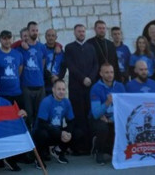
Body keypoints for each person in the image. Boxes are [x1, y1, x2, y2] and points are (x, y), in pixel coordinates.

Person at [64, 24, 99, 155]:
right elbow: (70, 66)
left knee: (89, 116)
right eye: (79, 31)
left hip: (90, 87)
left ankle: (90, 145)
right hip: (76, 88)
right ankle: (78, 147)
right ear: (74, 33)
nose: (81, 33)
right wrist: (83, 78)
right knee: (78, 117)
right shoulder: (69, 48)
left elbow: (96, 64)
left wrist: (90, 77)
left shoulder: (91, 47)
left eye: (83, 31)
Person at [90, 63, 125, 165]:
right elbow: (96, 113)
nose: (110, 75)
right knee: (102, 128)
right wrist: (107, 102)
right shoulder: (95, 88)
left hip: (113, 118)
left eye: (111, 72)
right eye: (106, 72)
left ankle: (108, 148)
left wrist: (112, 119)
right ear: (101, 74)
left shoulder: (120, 86)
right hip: (98, 119)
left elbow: (123, 109)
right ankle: (99, 152)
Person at [34, 79, 74, 167]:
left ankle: (58, 151)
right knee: (42, 134)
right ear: (53, 90)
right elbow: (42, 124)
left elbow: (71, 121)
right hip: (44, 131)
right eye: (59, 89)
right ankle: (38, 159)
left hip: (56, 130)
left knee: (76, 132)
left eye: (63, 89)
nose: (61, 92)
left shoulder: (66, 102)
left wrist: (69, 133)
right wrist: (61, 133)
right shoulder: (46, 101)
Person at [19, 21, 46, 127]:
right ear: (28, 31)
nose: (35, 32)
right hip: (26, 86)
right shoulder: (21, 47)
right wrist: (20, 43)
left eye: (36, 30)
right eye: (32, 30)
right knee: (28, 115)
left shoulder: (42, 47)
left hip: (40, 86)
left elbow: (43, 63)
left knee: (39, 115)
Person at [0, 30, 23, 107]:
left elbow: (19, 70)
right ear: (0, 40)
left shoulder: (18, 54)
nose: (7, 41)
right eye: (4, 38)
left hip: (16, 93)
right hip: (2, 94)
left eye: (9, 38)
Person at [43, 28, 66, 94]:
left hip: (57, 85)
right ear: (45, 37)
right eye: (49, 35)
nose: (51, 38)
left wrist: (58, 77)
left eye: (53, 36)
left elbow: (63, 67)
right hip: (45, 84)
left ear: (56, 37)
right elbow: (41, 66)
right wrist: (50, 77)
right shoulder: (41, 49)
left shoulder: (61, 51)